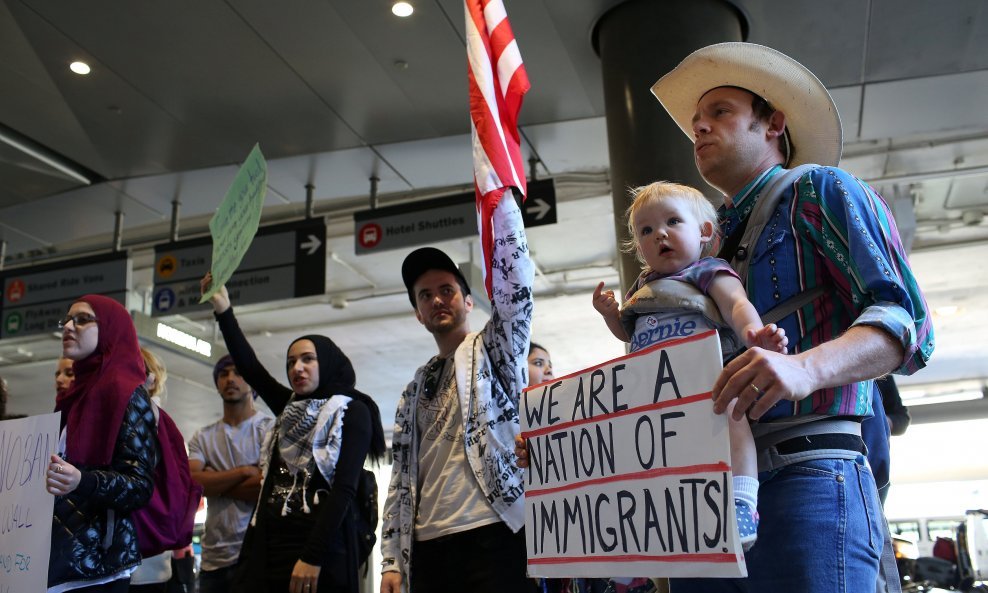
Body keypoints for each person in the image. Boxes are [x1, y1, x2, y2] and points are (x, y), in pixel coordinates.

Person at [648, 42, 934, 591]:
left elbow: (909, 324)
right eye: (695, 122)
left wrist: (807, 368)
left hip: (809, 473)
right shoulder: (702, 246)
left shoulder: (821, 189)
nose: (700, 129)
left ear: (773, 122)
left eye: (720, 112)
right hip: (709, 495)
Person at [592, 180, 788, 551]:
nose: (659, 234)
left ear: (704, 232)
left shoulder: (705, 272)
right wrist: (609, 315)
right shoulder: (642, 287)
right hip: (655, 393)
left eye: (672, 222)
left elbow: (735, 304)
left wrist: (753, 333)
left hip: (706, 379)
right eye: (646, 231)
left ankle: (743, 500)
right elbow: (627, 332)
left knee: (732, 417)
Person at [380, 191, 535, 593]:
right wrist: (392, 561)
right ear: (418, 314)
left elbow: (515, 290)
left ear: (468, 301)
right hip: (428, 546)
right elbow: (400, 477)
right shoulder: (413, 390)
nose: (436, 300)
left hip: (495, 530)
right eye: (425, 296)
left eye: (445, 290)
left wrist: (502, 205)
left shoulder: (494, 351)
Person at [201, 272, 386, 593]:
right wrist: (223, 309)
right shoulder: (290, 407)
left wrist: (313, 557)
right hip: (270, 545)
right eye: (290, 362)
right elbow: (251, 369)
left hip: (323, 548)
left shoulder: (352, 411)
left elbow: (343, 489)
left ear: (326, 363)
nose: (297, 368)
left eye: (307, 359)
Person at [46, 295, 158, 592]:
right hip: (56, 562)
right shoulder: (71, 398)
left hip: (98, 567)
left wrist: (83, 481)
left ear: (110, 328)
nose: (69, 326)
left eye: (82, 319)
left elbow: (139, 486)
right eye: (66, 320)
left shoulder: (127, 393)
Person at [187, 353, 275, 593]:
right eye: (224, 374)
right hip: (213, 559)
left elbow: (267, 487)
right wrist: (246, 471)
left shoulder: (269, 429)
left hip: (256, 557)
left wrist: (215, 480)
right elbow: (194, 482)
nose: (230, 379)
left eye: (238, 372)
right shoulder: (202, 437)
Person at [130, 347, 175, 593]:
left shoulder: (152, 420)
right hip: (148, 555)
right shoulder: (158, 419)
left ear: (151, 379)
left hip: (143, 554)